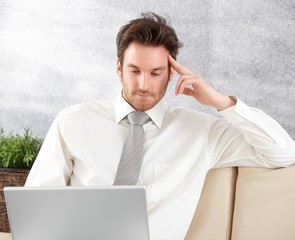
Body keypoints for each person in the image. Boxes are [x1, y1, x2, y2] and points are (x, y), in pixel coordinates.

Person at [25, 12, 295, 240]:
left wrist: (221, 102)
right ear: (119, 68)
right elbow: (35, 209)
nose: (143, 84)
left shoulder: (202, 132)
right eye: (134, 71)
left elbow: (282, 152)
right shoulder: (73, 122)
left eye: (155, 73)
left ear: (171, 74)